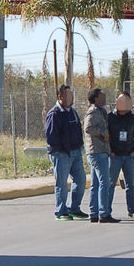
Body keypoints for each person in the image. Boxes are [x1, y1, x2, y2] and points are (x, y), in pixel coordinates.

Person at [45, 85, 88, 221]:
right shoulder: (54, 113)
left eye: (71, 95)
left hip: (76, 152)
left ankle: (74, 208)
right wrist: (62, 149)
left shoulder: (73, 112)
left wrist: (79, 146)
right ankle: (61, 211)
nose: (70, 98)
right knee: (62, 183)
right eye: (67, 95)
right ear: (60, 97)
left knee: (81, 180)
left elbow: (78, 130)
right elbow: (51, 137)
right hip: (61, 154)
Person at [83, 88, 120, 223]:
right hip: (97, 151)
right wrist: (103, 133)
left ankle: (94, 213)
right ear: (96, 98)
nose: (104, 97)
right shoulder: (93, 111)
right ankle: (104, 213)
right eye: (101, 95)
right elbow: (88, 128)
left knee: (96, 183)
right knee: (105, 182)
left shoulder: (100, 110)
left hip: (100, 151)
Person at [108, 92, 134, 219]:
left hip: (129, 156)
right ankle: (106, 211)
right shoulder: (110, 118)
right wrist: (110, 151)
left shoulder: (133, 119)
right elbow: (105, 137)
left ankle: (132, 210)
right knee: (110, 184)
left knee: (130, 185)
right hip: (114, 157)